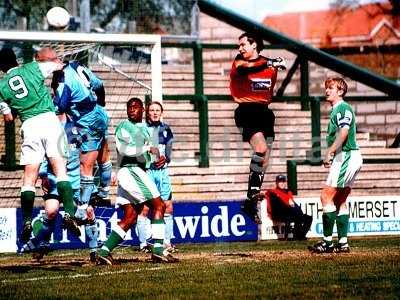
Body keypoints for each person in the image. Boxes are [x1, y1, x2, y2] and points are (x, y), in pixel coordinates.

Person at [0, 47, 80, 243]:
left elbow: (9, 118)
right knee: (60, 170)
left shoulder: (1, 87)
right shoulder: (32, 68)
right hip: (49, 119)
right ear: (15, 60)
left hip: (29, 125)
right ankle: (69, 212)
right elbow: (57, 66)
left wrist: (18, 106)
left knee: (29, 179)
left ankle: (27, 221)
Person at [97, 97, 177, 265]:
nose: (131, 110)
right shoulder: (124, 127)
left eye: (135, 107)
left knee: (131, 216)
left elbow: (152, 154)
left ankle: (104, 251)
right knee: (159, 205)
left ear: (142, 110)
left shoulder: (147, 129)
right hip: (131, 170)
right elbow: (123, 150)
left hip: (139, 172)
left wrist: (160, 159)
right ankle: (157, 249)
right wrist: (147, 148)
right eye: (129, 107)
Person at [21, 118, 98, 261]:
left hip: (75, 181)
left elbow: (89, 156)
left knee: (87, 212)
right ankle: (42, 243)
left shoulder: (79, 128)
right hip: (54, 180)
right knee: (51, 211)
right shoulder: (49, 127)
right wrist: (43, 176)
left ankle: (94, 250)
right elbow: (42, 154)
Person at [229, 32, 286, 223]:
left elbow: (268, 86)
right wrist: (271, 62)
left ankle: (249, 203)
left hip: (264, 112)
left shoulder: (271, 67)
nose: (240, 49)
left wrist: (273, 64)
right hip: (246, 111)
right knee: (260, 149)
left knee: (265, 159)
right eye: (240, 45)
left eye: (243, 45)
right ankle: (253, 193)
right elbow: (246, 71)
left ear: (255, 45)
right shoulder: (238, 62)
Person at [52, 60, 112, 227]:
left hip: (87, 121)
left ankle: (81, 209)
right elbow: (99, 84)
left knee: (86, 165)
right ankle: (103, 193)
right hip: (99, 114)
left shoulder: (64, 81)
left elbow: (61, 107)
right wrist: (100, 104)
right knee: (103, 155)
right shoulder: (77, 66)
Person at [308, 77, 363, 254]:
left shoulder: (342, 108)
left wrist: (330, 151)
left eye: (331, 88)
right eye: (326, 88)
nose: (327, 90)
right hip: (350, 155)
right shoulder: (338, 110)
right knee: (340, 199)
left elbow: (344, 133)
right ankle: (343, 243)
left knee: (326, 196)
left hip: (346, 154)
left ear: (340, 91)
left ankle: (327, 243)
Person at [136, 101, 176, 253]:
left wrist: (166, 158)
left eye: (157, 110)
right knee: (145, 208)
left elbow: (169, 151)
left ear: (161, 112)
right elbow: (138, 152)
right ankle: (143, 244)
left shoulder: (166, 129)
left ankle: (167, 242)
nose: (154, 113)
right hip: (149, 172)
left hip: (163, 173)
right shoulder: (142, 129)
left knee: (168, 206)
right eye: (152, 110)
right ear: (147, 112)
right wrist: (148, 159)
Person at [265, 175, 312, 240]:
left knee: (308, 218)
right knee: (295, 215)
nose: (282, 183)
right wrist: (289, 207)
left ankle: (300, 235)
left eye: (283, 182)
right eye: (280, 182)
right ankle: (296, 236)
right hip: (279, 214)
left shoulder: (288, 192)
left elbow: (292, 203)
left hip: (290, 212)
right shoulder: (273, 193)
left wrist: (293, 208)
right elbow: (276, 206)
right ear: (277, 183)